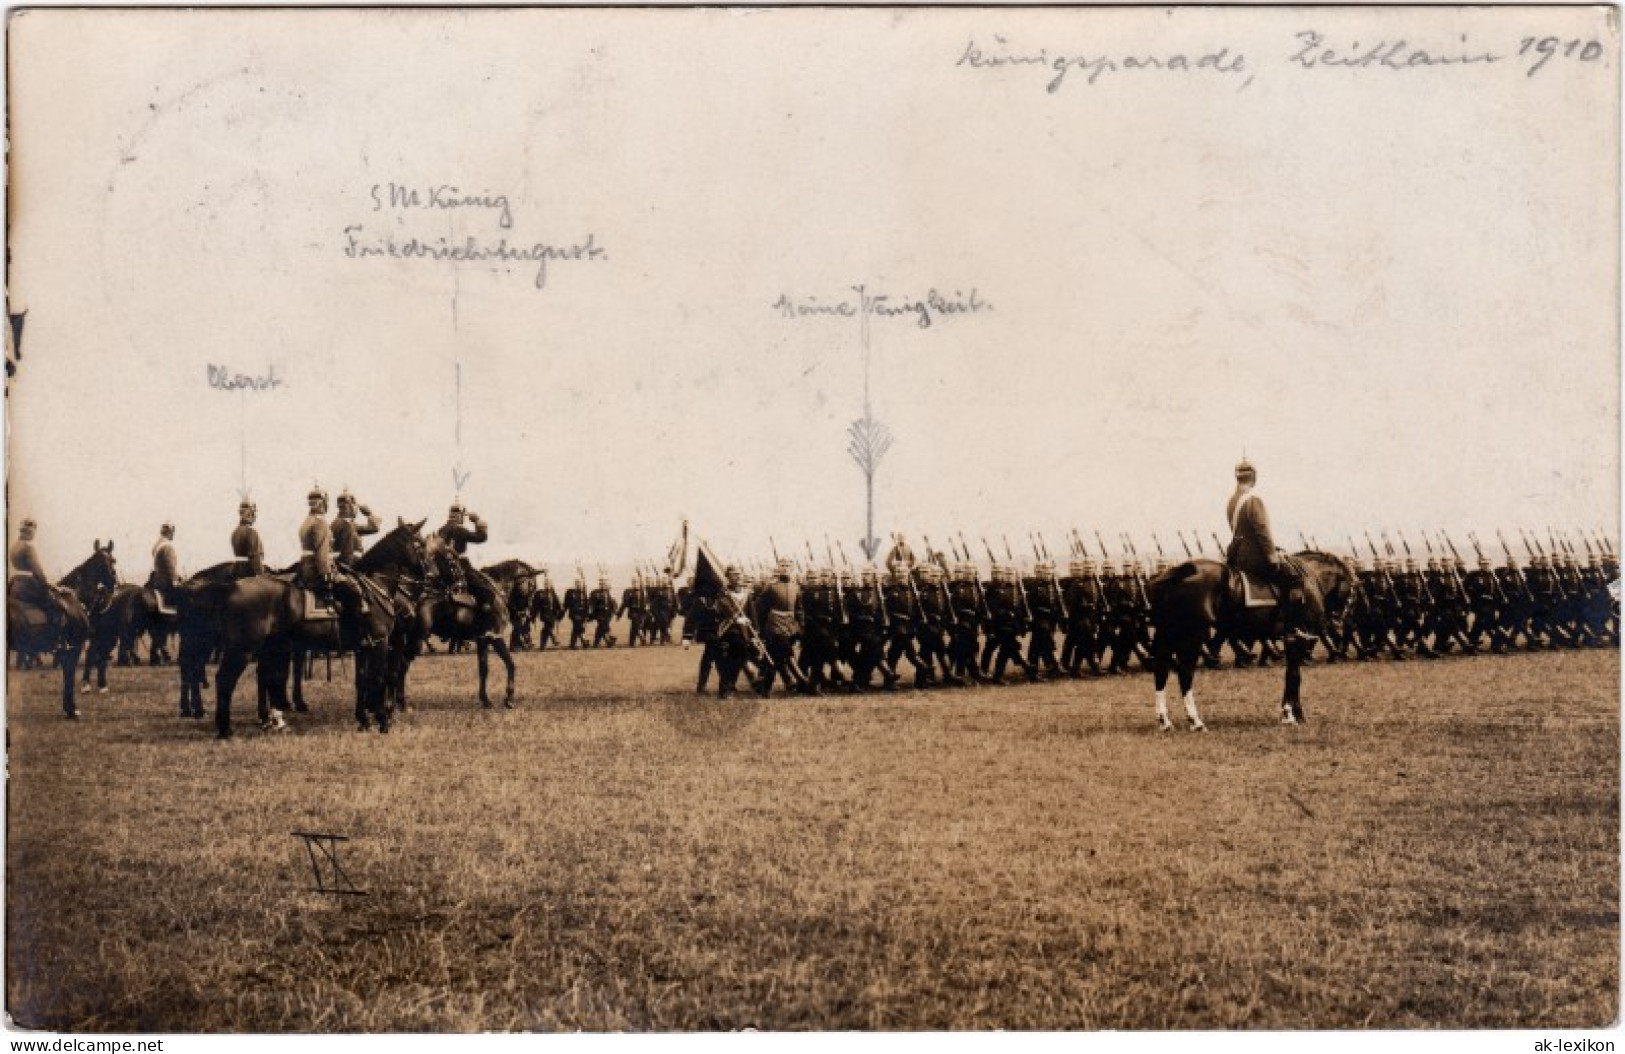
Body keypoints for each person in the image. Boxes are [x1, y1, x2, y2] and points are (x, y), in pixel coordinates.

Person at [1225, 458, 1322, 641]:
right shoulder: (1253, 501)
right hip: (1255, 557)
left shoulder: (1231, 502)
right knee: (1295, 578)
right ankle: (1292, 628)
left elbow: (1241, 531)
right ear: (1253, 477)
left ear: (1237, 477)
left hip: (1237, 557)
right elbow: (1262, 532)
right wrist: (1272, 555)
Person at [437, 502, 503, 628]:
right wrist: (477, 521)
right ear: (458, 516)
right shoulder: (459, 529)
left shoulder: (441, 530)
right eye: (462, 515)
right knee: (487, 593)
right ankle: (485, 625)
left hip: (442, 569)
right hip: (460, 566)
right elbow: (481, 538)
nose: (463, 518)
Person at [149, 522, 182, 612]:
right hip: (166, 585)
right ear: (169, 532)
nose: (173, 535)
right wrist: (175, 581)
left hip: (157, 583)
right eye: (172, 532)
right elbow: (170, 568)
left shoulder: (158, 545)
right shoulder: (167, 547)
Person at [230, 500, 265, 578]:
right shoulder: (251, 532)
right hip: (249, 571)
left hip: (236, 570)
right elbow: (255, 556)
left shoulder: (235, 532)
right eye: (253, 514)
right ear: (249, 515)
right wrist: (260, 575)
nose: (254, 517)